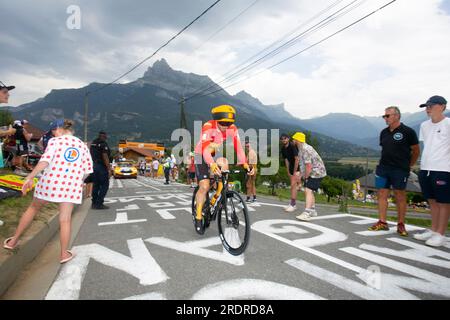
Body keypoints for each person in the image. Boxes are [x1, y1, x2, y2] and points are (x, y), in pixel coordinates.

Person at [3, 119, 93, 263]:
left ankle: (12, 242)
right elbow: (88, 170)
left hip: (50, 183)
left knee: (33, 208)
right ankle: (64, 254)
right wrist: (78, 181)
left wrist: (30, 177)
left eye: (53, 132)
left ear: (58, 129)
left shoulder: (55, 142)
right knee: (65, 220)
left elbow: (45, 160)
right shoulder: (82, 145)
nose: (52, 135)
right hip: (71, 187)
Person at [193, 104, 250, 234]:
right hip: (201, 153)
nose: (226, 126)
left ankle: (218, 196)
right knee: (204, 186)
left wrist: (245, 164)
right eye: (223, 122)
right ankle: (198, 217)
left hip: (214, 152)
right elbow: (205, 150)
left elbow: (239, 148)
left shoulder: (232, 129)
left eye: (229, 123)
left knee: (225, 164)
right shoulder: (208, 126)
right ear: (217, 120)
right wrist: (212, 164)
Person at [368, 106, 420, 236]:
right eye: (384, 116)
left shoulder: (408, 132)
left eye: (387, 115)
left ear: (397, 116)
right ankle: (382, 222)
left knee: (400, 195)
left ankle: (401, 224)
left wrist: (409, 165)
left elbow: (416, 151)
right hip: (383, 168)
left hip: (400, 169)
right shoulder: (384, 132)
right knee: (381, 194)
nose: (385, 118)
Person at [414, 96, 450, 247]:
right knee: (432, 201)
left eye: (431, 106)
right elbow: (427, 145)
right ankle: (434, 230)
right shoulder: (424, 125)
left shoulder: (448, 123)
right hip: (425, 168)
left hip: (443, 169)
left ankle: (441, 234)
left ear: (442, 106)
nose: (427, 109)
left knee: (444, 203)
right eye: (426, 106)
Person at [292, 132, 327, 221]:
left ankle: (307, 213)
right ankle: (312, 210)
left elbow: (308, 166)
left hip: (317, 172)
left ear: (297, 140)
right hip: (314, 171)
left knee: (308, 190)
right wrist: (301, 174)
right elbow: (302, 164)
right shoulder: (301, 148)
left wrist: (306, 177)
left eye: (294, 139)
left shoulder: (305, 149)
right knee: (309, 191)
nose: (293, 140)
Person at [90, 131, 111, 210]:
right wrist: (109, 169)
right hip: (101, 167)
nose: (106, 138)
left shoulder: (93, 143)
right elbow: (105, 156)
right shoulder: (103, 144)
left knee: (96, 185)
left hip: (94, 166)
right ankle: (99, 203)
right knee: (105, 185)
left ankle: (94, 203)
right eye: (105, 136)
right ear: (104, 136)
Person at [280, 133, 300, 213]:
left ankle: (293, 205)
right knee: (293, 186)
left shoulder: (292, 146)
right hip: (292, 167)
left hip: (298, 166)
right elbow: (286, 160)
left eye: (285, 138)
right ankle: (292, 203)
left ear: (288, 139)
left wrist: (295, 171)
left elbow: (297, 159)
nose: (283, 140)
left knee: (293, 185)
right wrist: (288, 170)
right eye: (282, 139)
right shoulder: (283, 149)